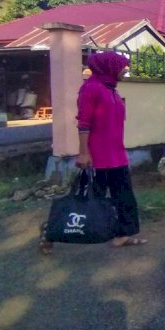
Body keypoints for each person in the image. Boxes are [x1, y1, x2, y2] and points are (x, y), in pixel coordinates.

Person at [41, 51, 146, 254]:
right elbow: (84, 124)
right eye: (122, 67)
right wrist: (83, 153)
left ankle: (122, 235)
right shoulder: (91, 89)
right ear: (108, 67)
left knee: (124, 197)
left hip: (117, 156)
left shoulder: (112, 90)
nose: (125, 70)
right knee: (85, 199)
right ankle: (49, 232)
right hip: (97, 157)